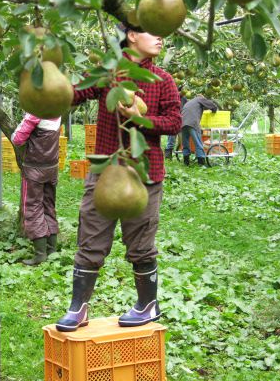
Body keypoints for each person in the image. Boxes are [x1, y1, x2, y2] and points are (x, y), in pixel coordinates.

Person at [56, 24, 182, 332]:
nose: (160, 35)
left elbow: (175, 122)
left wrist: (139, 119)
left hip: (144, 173)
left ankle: (147, 304)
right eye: (151, 31)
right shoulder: (109, 73)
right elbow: (76, 94)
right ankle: (78, 307)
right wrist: (48, 73)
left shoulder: (162, 80)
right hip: (107, 171)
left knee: (141, 242)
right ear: (132, 35)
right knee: (91, 235)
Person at [11, 113, 61, 266]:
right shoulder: (57, 110)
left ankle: (40, 254)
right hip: (52, 167)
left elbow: (17, 139)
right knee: (48, 206)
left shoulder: (35, 113)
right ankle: (52, 250)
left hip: (35, 168)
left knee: (32, 207)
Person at [181, 95, 219, 167]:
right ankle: (201, 164)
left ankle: (186, 162)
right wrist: (214, 110)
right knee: (198, 143)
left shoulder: (190, 102)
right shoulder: (200, 99)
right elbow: (212, 106)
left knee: (185, 143)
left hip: (182, 122)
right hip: (192, 123)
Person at [164, 95, 188, 159]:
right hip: (173, 121)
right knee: (171, 140)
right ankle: (168, 156)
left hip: (181, 121)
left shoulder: (184, 99)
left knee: (182, 140)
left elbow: (186, 108)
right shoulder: (172, 96)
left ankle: (182, 155)